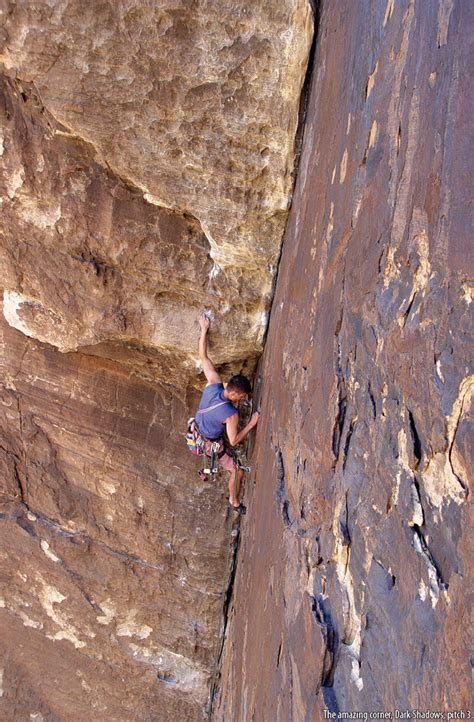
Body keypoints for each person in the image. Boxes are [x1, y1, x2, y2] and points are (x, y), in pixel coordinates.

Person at [195, 313, 259, 513]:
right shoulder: (231, 415)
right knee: (237, 471)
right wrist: (252, 422)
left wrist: (204, 329)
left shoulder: (213, 383)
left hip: (196, 429)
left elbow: (203, 357)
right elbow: (233, 440)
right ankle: (234, 501)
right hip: (208, 441)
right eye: (241, 397)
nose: (242, 399)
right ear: (233, 392)